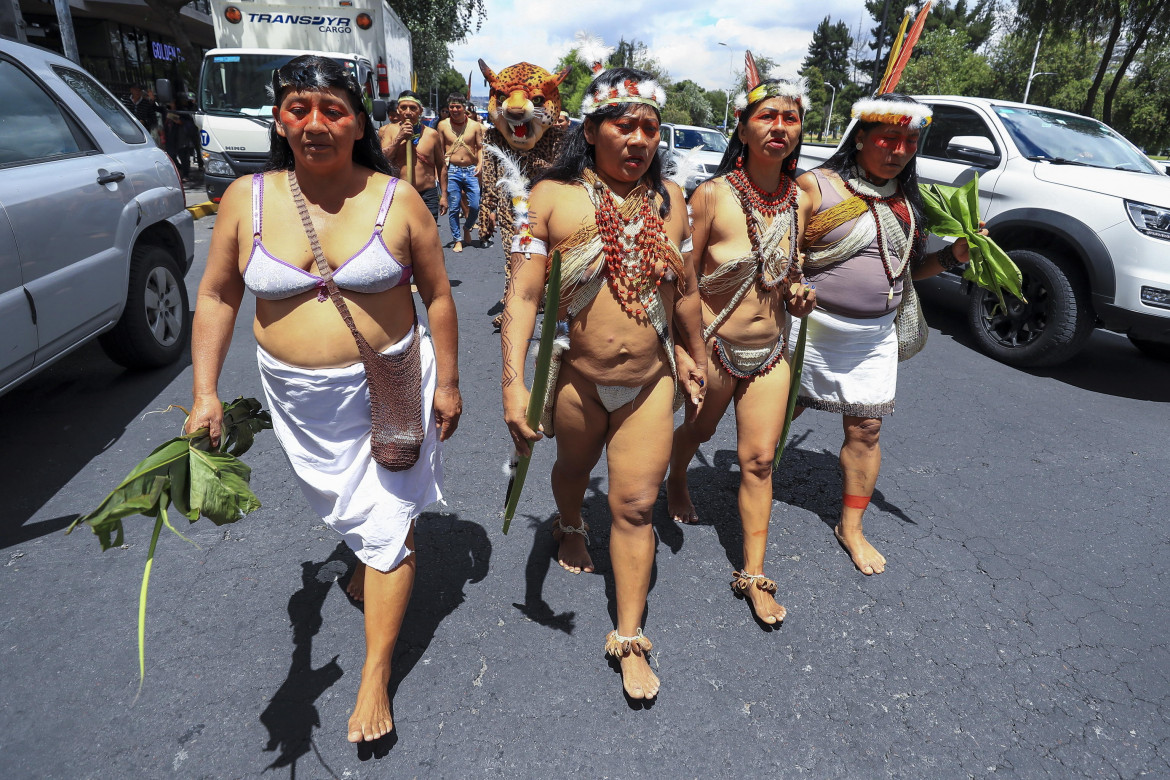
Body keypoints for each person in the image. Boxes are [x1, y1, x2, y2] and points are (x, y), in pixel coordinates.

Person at [186, 56, 462, 742]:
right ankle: (365, 559)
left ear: (357, 122)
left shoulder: (397, 200)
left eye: (332, 110)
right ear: (279, 120)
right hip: (299, 399)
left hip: (393, 380)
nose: (315, 123)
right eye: (299, 109)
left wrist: (449, 382)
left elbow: (438, 295)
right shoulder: (244, 200)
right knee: (346, 505)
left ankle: (375, 678)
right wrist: (205, 392)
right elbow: (218, 295)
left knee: (389, 523)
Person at [500, 67, 706, 700]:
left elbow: (685, 289)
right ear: (590, 131)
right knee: (571, 468)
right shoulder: (547, 198)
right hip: (578, 381)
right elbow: (524, 297)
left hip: (650, 384)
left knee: (635, 506)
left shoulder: (671, 201)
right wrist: (512, 386)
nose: (638, 138)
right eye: (623, 124)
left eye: (649, 126)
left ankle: (629, 635)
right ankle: (568, 521)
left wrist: (693, 351)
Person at [793, 93, 977, 575]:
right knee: (776, 417)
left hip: (871, 337)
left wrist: (953, 258)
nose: (899, 149)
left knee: (867, 429)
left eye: (910, 140)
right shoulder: (815, 186)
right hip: (806, 330)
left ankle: (850, 527)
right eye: (889, 138)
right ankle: (750, 479)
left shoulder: (908, 201)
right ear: (860, 139)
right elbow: (781, 257)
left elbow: (910, 271)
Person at [666, 79, 817, 625]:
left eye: (790, 119)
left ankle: (753, 574)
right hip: (715, 347)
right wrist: (687, 350)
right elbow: (684, 281)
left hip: (771, 351)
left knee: (758, 461)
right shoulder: (711, 195)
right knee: (700, 431)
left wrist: (798, 291)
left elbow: (790, 268)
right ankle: (677, 476)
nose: (779, 128)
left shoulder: (802, 196)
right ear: (743, 125)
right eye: (767, 117)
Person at [379, 90, 446, 223]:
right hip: (398, 193)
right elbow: (383, 160)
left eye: (413, 108)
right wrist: (399, 139)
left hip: (427, 194)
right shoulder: (389, 131)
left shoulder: (431, 134)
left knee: (427, 238)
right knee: (403, 237)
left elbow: (441, 166)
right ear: (398, 110)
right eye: (403, 107)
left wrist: (443, 195)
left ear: (420, 111)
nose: (408, 112)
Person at [437, 93, 484, 252]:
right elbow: (440, 150)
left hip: (471, 170)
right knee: (454, 207)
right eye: (451, 107)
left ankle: (467, 228)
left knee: (475, 205)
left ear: (465, 108)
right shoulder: (443, 125)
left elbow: (480, 148)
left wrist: (480, 164)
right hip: (453, 171)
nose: (455, 110)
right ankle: (457, 239)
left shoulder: (475, 126)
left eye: (458, 107)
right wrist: (440, 172)